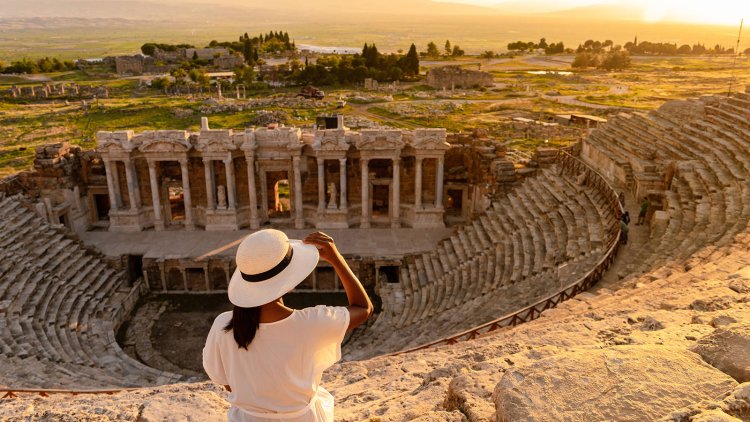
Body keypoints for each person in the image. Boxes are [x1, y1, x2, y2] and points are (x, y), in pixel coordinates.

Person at [203, 229, 373, 421]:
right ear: (288, 280)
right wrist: (336, 259)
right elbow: (363, 307)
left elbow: (226, 382)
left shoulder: (222, 326)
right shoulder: (312, 323)